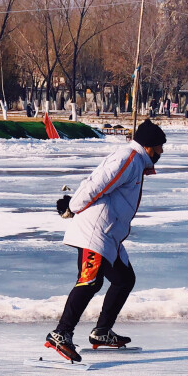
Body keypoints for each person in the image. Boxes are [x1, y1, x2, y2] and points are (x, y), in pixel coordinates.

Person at [45, 120, 167, 362]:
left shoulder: (136, 161)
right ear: (150, 146)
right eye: (160, 147)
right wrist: (72, 207)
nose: (162, 152)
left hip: (109, 235)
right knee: (90, 282)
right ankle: (61, 333)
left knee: (124, 279)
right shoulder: (128, 159)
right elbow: (95, 183)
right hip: (96, 232)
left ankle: (101, 331)